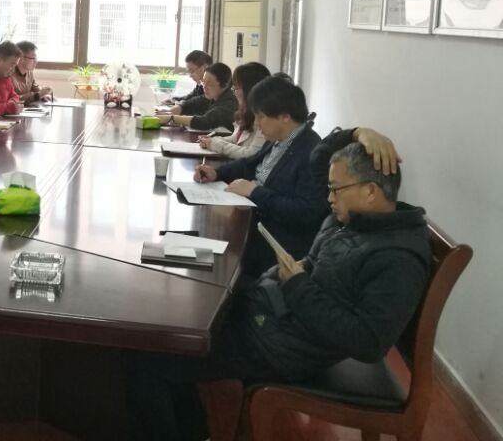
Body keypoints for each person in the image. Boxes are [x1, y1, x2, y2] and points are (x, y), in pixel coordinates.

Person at [124, 131, 430, 441]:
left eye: (335, 189)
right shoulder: (357, 219)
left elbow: (368, 342)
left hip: (282, 346)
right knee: (186, 304)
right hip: (271, 312)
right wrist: (357, 134)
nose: (328, 198)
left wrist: (298, 285)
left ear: (370, 191)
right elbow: (318, 159)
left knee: (148, 360)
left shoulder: (397, 257)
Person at [192, 76, 324, 276]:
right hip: (253, 219)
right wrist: (216, 173)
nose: (257, 124)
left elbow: (305, 212)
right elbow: (249, 165)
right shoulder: (279, 139)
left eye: (261, 117)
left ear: (285, 116)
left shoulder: (311, 152)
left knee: (212, 256)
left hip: (275, 244)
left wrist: (255, 192)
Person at [198, 62, 271, 159]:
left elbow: (251, 154)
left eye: (236, 87)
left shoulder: (266, 117)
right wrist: (211, 140)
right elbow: (235, 139)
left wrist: (215, 144)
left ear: (249, 89)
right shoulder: (246, 112)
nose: (233, 91)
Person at [158, 63, 237, 132]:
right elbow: (192, 103)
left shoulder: (230, 102)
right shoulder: (213, 96)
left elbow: (205, 122)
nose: (204, 87)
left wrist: (172, 118)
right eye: (203, 82)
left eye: (209, 83)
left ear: (224, 85)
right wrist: (171, 111)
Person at [164, 50, 213, 115]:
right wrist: (173, 100)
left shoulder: (215, 87)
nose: (190, 75)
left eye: (192, 71)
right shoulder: (201, 84)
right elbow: (190, 97)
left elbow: (202, 100)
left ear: (204, 67)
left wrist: (181, 107)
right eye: (189, 72)